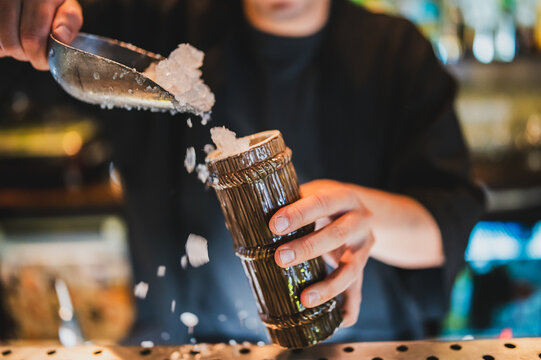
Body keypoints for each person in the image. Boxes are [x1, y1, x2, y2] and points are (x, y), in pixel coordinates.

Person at [0, 0, 485, 344]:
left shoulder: (397, 54)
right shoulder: (152, 26)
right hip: (184, 343)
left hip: (363, 343)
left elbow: (450, 223)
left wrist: (366, 217)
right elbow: (25, 56)